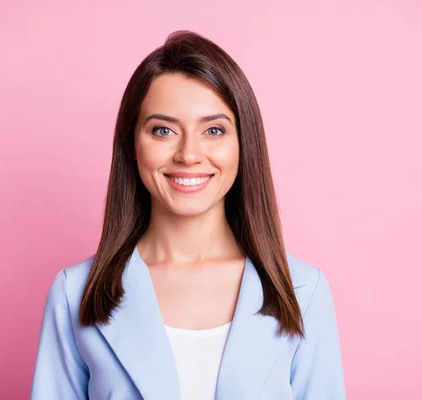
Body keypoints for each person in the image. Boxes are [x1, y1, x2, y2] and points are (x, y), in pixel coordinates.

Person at [31, 30, 345, 400]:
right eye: (163, 130)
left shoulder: (302, 291)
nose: (189, 154)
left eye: (213, 130)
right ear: (132, 144)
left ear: (244, 145)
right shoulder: (75, 293)